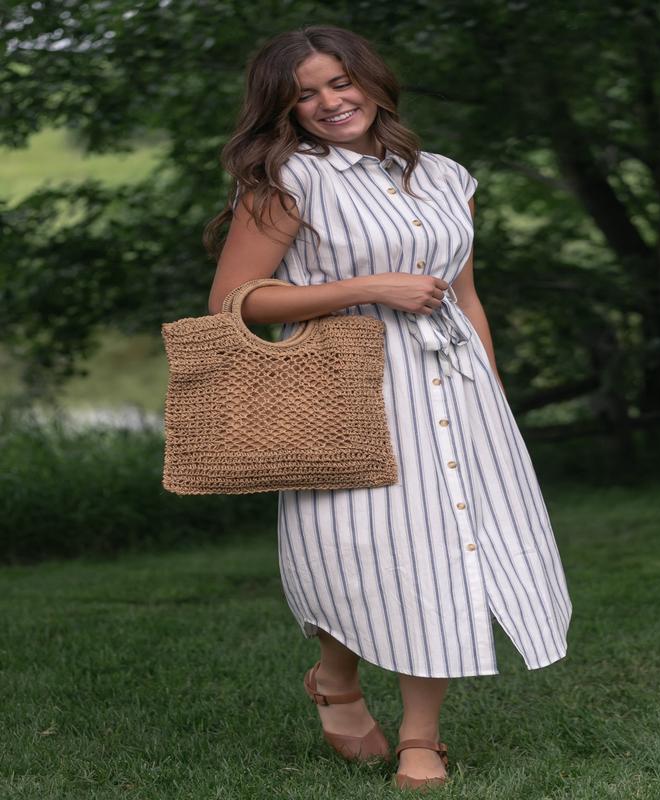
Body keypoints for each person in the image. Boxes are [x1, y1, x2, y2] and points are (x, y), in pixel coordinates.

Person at [205, 24, 572, 791]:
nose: (331, 102)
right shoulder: (287, 179)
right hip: (343, 388)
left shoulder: (444, 176)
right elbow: (233, 305)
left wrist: (494, 403)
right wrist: (368, 288)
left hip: (454, 387)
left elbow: (466, 296)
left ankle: (421, 741)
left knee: (443, 558)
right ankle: (337, 677)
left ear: (371, 81)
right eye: (306, 94)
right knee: (360, 553)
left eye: (341, 83)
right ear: (285, 108)